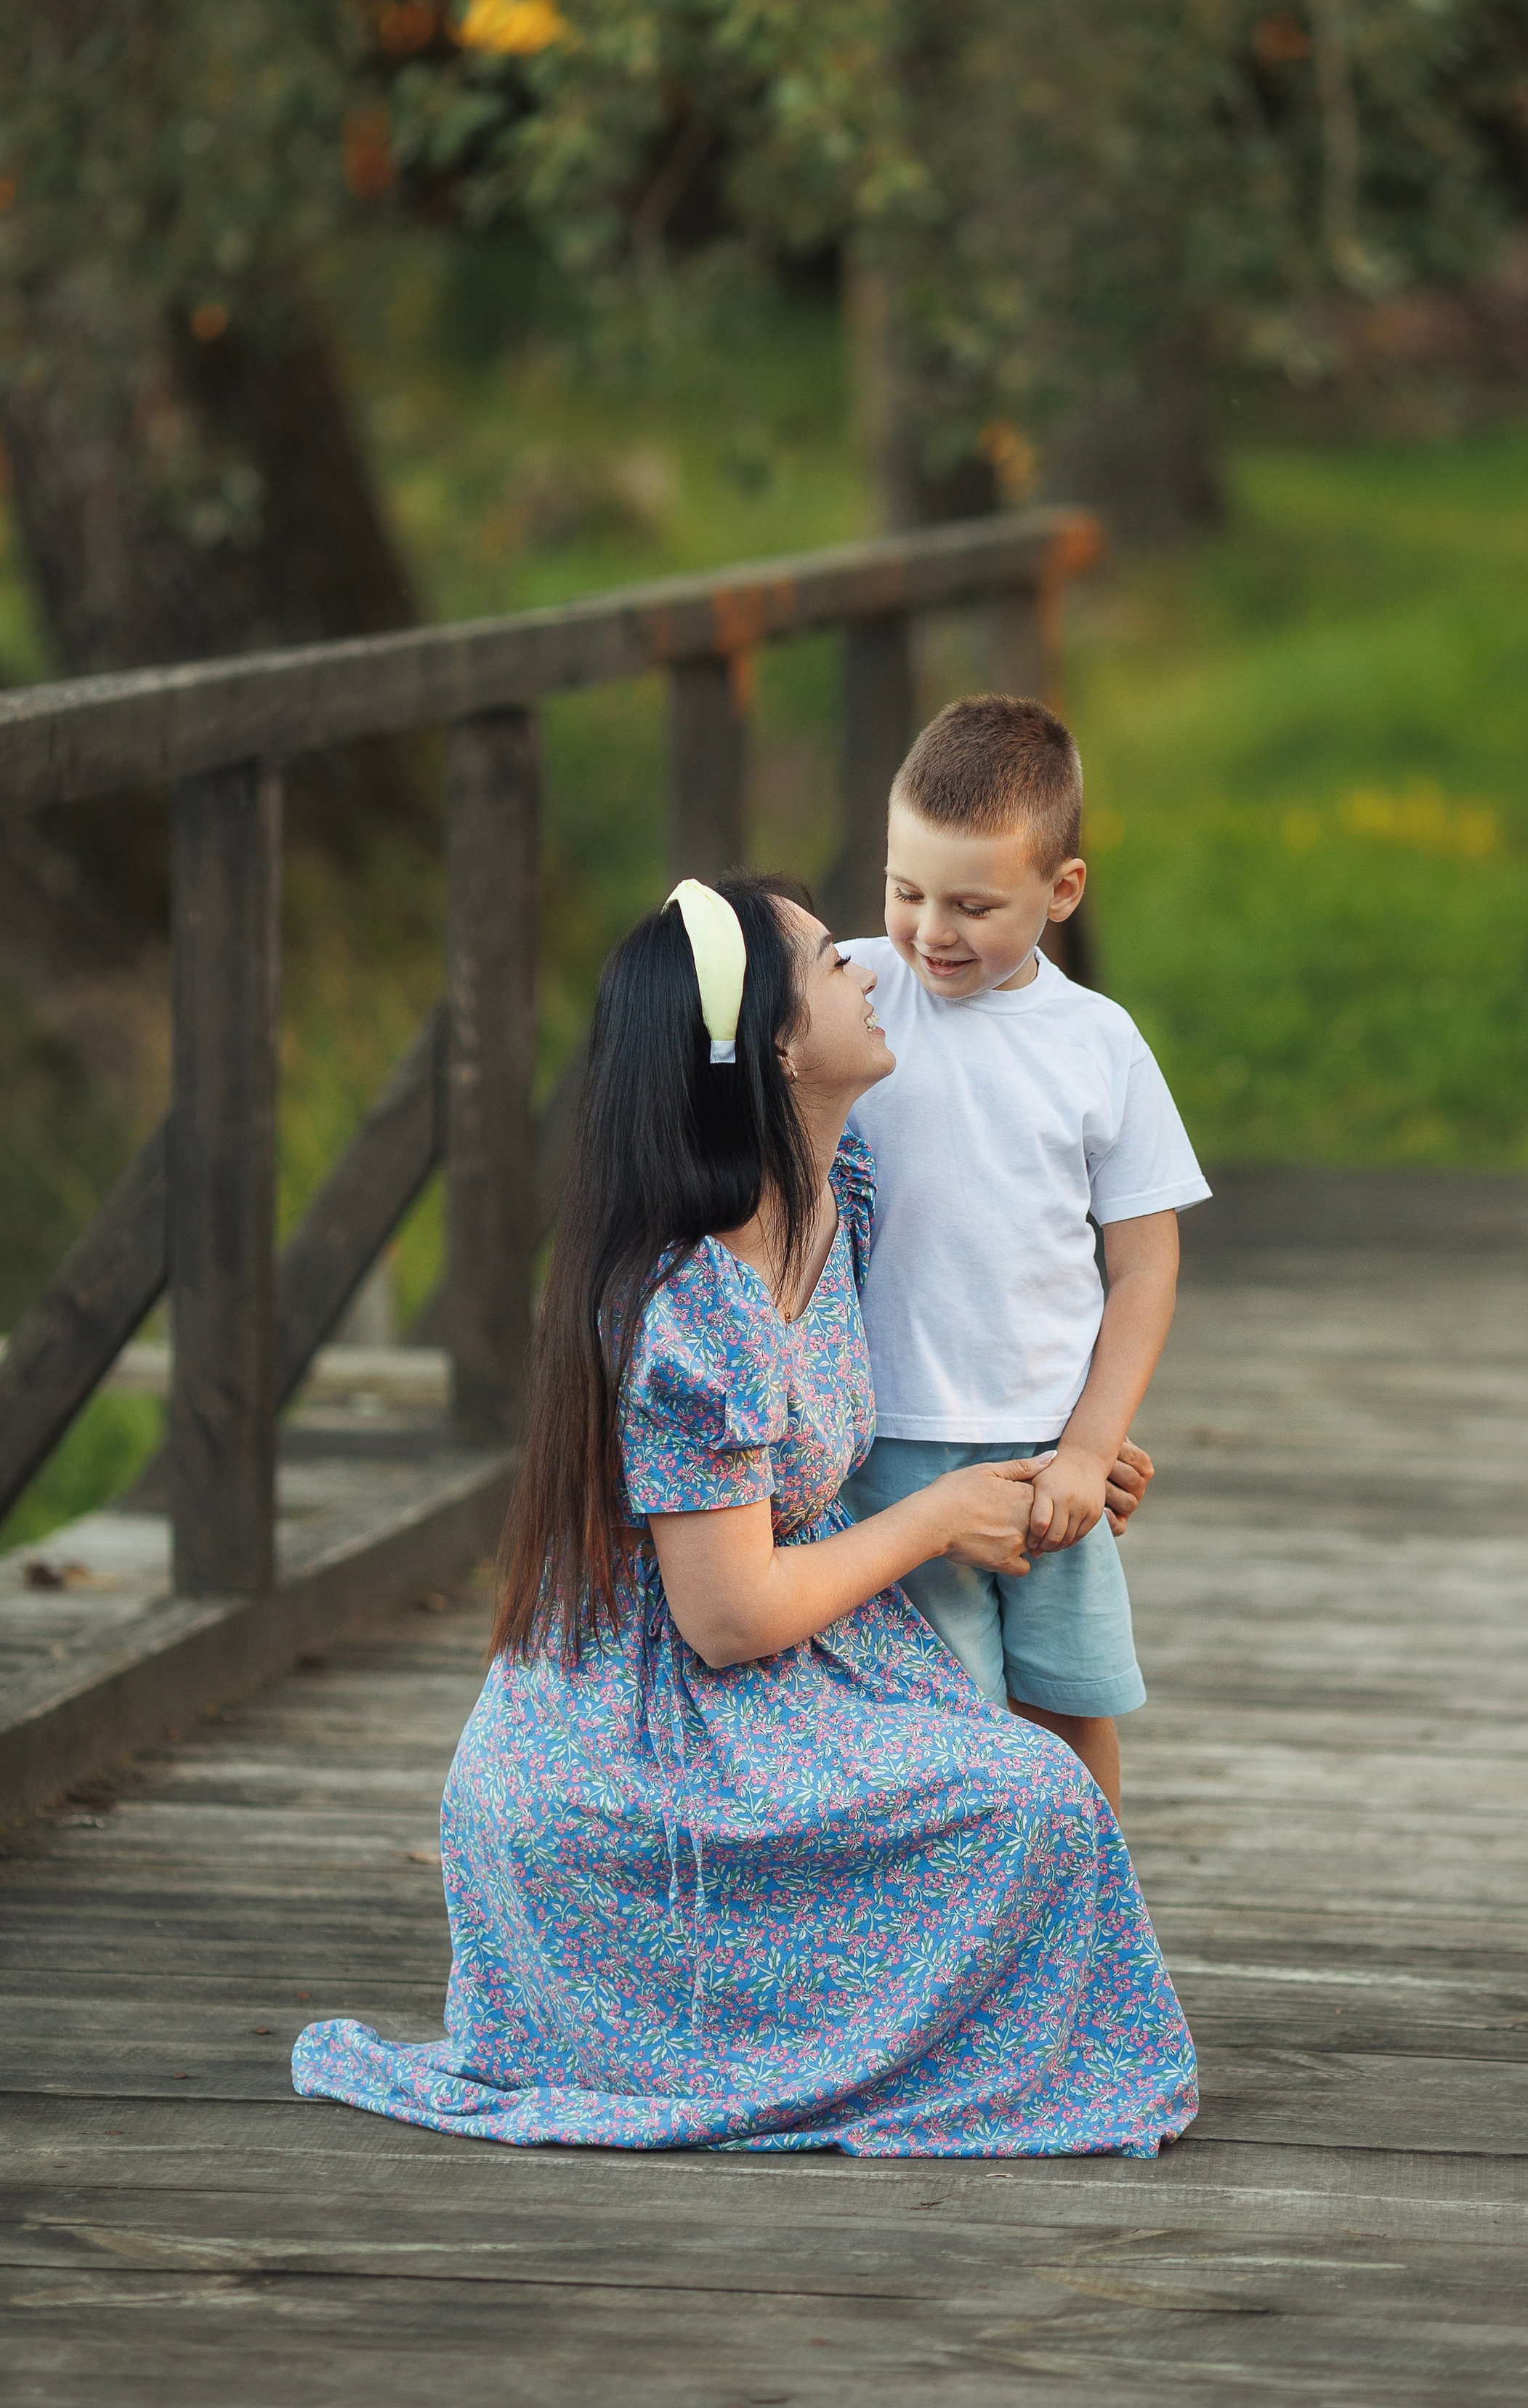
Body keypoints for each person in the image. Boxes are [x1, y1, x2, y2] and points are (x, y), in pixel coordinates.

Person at [292, 872, 1197, 2156]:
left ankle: (898, 2037)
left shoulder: (838, 1201)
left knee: (1036, 1793)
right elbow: (723, 1617)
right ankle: (773, 2041)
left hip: (784, 1669)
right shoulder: (695, 1305)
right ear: (778, 1045)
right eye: (835, 962)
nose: (872, 971)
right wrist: (941, 1517)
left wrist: (1075, 1453)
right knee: (1030, 1799)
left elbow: (981, 1332)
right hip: (642, 1733)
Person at [840, 695, 1210, 1817]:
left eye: (973, 904)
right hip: (887, 1442)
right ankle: (950, 1937)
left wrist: (1092, 1449)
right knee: (932, 1723)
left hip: (1050, 1445)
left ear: (1061, 893)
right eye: (906, 892)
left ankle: (1084, 1933)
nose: (931, 931)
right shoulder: (845, 995)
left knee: (1063, 1704)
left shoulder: (1098, 1043)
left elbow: (1144, 1262)